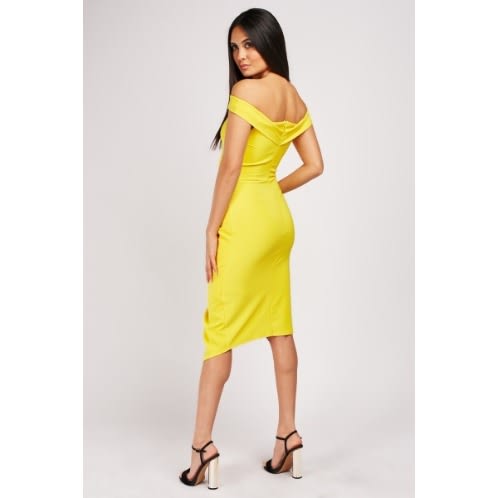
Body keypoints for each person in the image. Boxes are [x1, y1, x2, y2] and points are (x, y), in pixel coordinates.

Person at [179, 7, 324, 489]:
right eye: (234, 47)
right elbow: (315, 164)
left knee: (220, 331)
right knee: (279, 326)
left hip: (243, 222)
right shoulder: (292, 95)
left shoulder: (245, 92)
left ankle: (201, 447)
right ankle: (288, 435)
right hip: (277, 223)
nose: (241, 56)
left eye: (249, 44)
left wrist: (211, 228)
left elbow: (231, 169)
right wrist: (272, 191)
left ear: (269, 42)